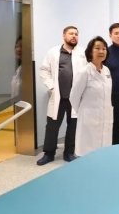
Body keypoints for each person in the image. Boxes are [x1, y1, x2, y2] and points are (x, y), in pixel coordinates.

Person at [36, 26, 87, 165]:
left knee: (73, 126)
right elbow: (44, 70)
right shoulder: (53, 52)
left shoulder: (83, 53)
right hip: (59, 97)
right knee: (52, 126)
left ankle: (69, 153)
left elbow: (88, 72)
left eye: (76, 34)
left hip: (75, 98)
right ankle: (49, 154)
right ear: (64, 35)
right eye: (71, 33)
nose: (74, 36)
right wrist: (51, 86)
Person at [70, 37, 113, 156]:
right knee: (88, 154)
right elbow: (73, 97)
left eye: (104, 48)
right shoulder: (84, 72)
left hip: (106, 118)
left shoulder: (107, 71)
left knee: (103, 154)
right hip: (88, 120)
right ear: (90, 51)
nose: (101, 51)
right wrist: (85, 112)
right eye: (97, 48)